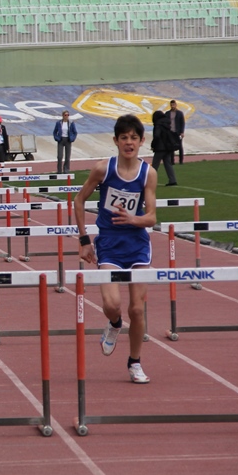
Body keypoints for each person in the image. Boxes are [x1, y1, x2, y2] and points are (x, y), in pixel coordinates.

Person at [74, 114, 158, 385]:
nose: (129, 142)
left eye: (134, 138)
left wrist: (134, 219)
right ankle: (113, 324)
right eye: (124, 138)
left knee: (137, 310)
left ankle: (135, 362)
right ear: (116, 141)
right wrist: (84, 240)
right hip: (109, 244)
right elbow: (78, 201)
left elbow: (152, 218)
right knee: (112, 304)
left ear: (142, 141)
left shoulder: (148, 173)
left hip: (137, 246)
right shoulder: (103, 169)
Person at [150, 110, 178, 186]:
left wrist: (153, 145)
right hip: (168, 147)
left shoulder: (158, 125)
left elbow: (157, 136)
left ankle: (150, 181)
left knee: (155, 165)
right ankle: (172, 180)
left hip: (160, 148)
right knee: (168, 164)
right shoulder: (167, 124)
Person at [167, 99, 185, 164]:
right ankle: (172, 161)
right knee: (171, 147)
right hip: (170, 132)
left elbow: (182, 123)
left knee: (180, 146)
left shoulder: (180, 113)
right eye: (171, 105)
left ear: (176, 105)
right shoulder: (167, 113)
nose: (172, 106)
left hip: (178, 132)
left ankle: (181, 161)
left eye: (174, 105)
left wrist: (182, 132)